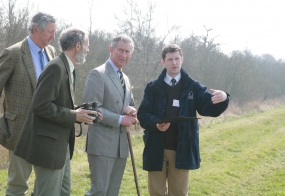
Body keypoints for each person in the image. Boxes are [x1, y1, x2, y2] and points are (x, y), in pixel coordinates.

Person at [137, 44, 230, 196]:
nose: (174, 63)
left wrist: (224, 98)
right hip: (156, 148)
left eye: (177, 59)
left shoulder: (193, 86)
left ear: (182, 60)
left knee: (179, 193)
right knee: (155, 193)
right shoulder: (152, 87)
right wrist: (157, 123)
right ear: (163, 62)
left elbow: (209, 108)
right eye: (170, 59)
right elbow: (143, 115)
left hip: (182, 150)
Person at [14, 27, 97, 196]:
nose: (89, 50)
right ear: (78, 46)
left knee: (63, 191)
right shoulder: (56, 68)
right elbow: (40, 105)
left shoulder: (69, 68)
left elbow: (59, 103)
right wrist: (73, 115)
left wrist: (81, 113)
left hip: (61, 144)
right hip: (48, 146)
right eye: (87, 46)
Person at [0, 12, 57, 196]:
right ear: (35, 29)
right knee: (17, 187)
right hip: (20, 132)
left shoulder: (52, 52)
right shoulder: (13, 53)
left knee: (46, 186)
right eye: (50, 31)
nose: (53, 36)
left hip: (47, 132)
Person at [83, 34, 138, 196]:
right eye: (120, 50)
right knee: (99, 191)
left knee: (112, 193)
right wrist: (121, 119)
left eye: (127, 51)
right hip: (102, 145)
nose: (124, 55)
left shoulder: (125, 79)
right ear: (111, 50)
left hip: (121, 147)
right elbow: (93, 109)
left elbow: (129, 104)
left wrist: (132, 111)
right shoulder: (97, 74)